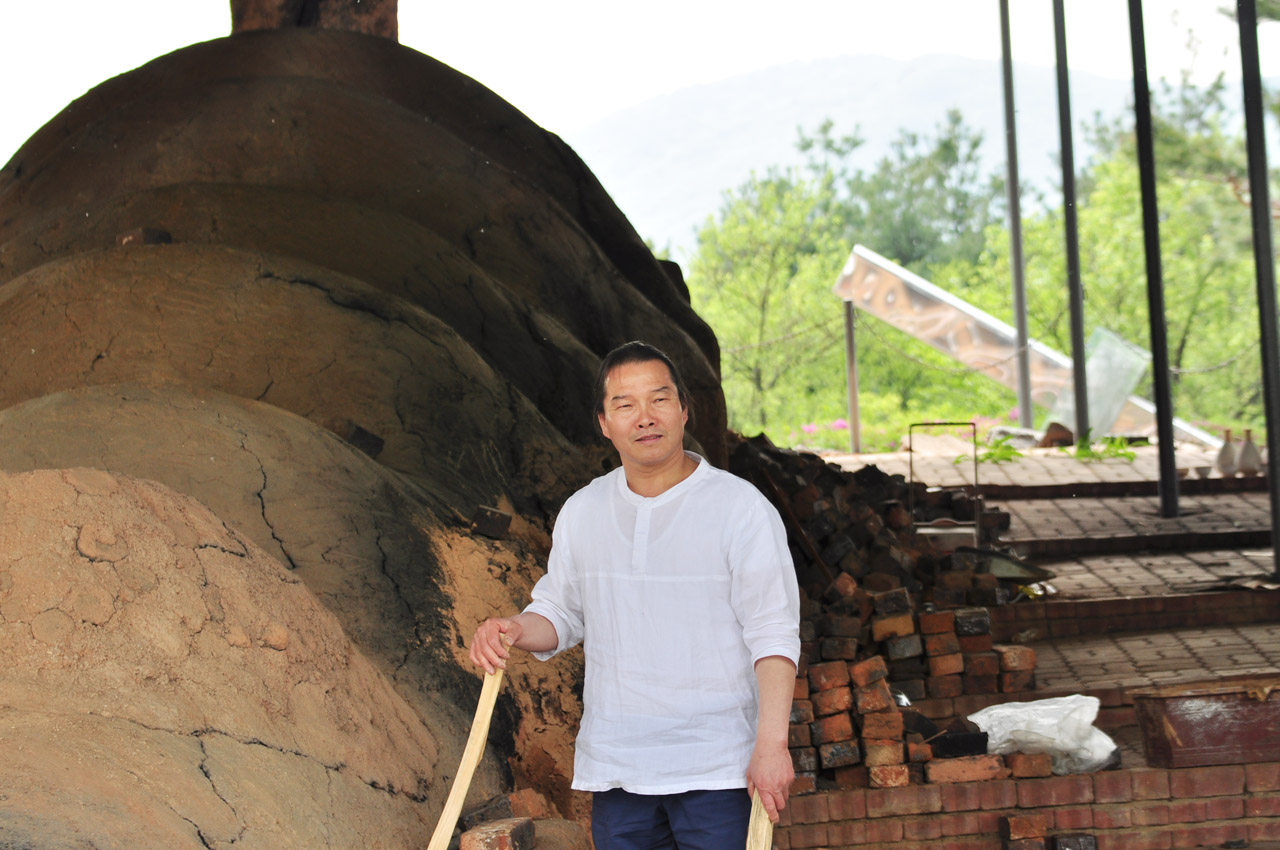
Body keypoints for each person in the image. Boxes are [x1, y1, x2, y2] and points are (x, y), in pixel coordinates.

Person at [470, 341, 799, 850]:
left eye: (659, 399)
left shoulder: (740, 509)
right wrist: (513, 629)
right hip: (619, 768)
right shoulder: (584, 512)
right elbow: (559, 613)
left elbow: (773, 633)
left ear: (684, 410)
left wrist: (772, 746)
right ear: (604, 422)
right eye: (625, 404)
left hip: (719, 767)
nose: (645, 417)